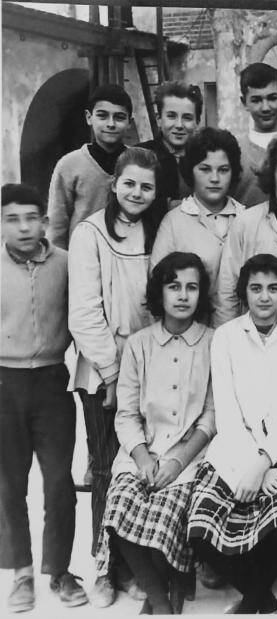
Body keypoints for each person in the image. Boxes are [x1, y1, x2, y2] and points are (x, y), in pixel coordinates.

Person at [186, 254, 277, 615]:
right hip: (232, 448)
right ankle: (262, 597)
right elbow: (226, 411)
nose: (264, 297)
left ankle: (253, 598)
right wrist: (250, 464)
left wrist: (265, 462)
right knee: (199, 529)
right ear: (244, 292)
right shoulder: (226, 337)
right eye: (256, 288)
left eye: (273, 289)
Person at [95, 252, 215, 615]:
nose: (182, 295)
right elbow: (126, 414)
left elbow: (212, 415)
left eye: (191, 287)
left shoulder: (214, 342)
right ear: (159, 292)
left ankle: (161, 593)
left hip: (191, 455)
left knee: (168, 513)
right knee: (120, 506)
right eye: (173, 286)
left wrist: (178, 461)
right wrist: (142, 456)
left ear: (201, 294)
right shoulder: (139, 344)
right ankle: (162, 599)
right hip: (143, 452)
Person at [68, 147, 160, 607]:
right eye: (130, 184)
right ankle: (103, 568)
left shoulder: (155, 229)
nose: (137, 193)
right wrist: (111, 374)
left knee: (142, 466)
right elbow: (84, 314)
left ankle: (135, 564)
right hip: (104, 371)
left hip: (152, 369)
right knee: (105, 468)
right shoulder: (90, 234)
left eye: (147, 186)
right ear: (114, 184)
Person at [1, 184, 87, 613]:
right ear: (1, 223)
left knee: (59, 483)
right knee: (8, 484)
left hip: (53, 382)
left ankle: (59, 571)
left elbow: (84, 319)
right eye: (12, 219)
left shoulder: (66, 265)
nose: (22, 227)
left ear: (44, 222)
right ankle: (20, 573)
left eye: (30, 218)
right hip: (3, 384)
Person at [215, 134, 277, 329]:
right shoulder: (246, 222)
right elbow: (227, 292)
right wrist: (227, 342)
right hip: (253, 343)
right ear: (272, 175)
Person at [151, 127, 245, 315]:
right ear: (190, 171)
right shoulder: (174, 222)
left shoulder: (247, 218)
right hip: (191, 333)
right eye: (205, 169)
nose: (215, 178)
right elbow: (158, 282)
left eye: (223, 170)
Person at [48, 84, 133, 249]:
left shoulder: (137, 163)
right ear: (89, 117)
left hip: (127, 256)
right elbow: (56, 226)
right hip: (82, 257)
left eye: (119, 117)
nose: (111, 124)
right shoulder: (69, 165)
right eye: (102, 116)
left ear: (130, 122)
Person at [137, 81, 202, 209]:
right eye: (171, 116)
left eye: (187, 118)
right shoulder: (140, 156)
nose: (179, 125)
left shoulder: (204, 158)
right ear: (159, 119)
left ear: (197, 121)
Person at [233, 62, 277, 207]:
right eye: (256, 100)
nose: (265, 107)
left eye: (272, 98)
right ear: (244, 102)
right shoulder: (234, 152)